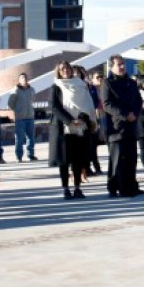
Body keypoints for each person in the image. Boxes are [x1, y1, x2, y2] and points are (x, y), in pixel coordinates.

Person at [49, 61, 93, 199]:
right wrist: (69, 120)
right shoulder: (56, 86)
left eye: (67, 68)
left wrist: (81, 117)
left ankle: (77, 188)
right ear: (58, 71)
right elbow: (54, 107)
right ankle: (66, 188)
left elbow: (87, 103)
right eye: (62, 69)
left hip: (80, 127)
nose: (65, 71)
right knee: (64, 160)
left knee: (78, 160)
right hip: (64, 128)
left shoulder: (80, 84)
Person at [101, 56, 144, 198]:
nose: (122, 67)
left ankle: (131, 186)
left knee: (132, 158)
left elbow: (139, 100)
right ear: (111, 66)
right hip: (116, 127)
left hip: (131, 125)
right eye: (119, 65)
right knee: (117, 159)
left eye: (123, 64)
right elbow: (107, 105)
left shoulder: (131, 83)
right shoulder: (107, 83)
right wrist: (125, 115)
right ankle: (114, 187)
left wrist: (135, 114)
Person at [8, 73, 38, 162]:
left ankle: (31, 155)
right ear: (19, 80)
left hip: (30, 117)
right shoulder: (15, 90)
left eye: (25, 77)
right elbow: (10, 104)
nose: (24, 79)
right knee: (19, 138)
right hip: (20, 118)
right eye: (22, 78)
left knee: (31, 137)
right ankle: (19, 156)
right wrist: (18, 110)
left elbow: (33, 99)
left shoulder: (31, 89)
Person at [86, 68, 105, 176]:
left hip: (106, 117)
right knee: (92, 146)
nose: (100, 79)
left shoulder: (106, 88)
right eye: (98, 77)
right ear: (92, 80)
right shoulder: (91, 90)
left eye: (102, 77)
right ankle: (95, 167)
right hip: (95, 118)